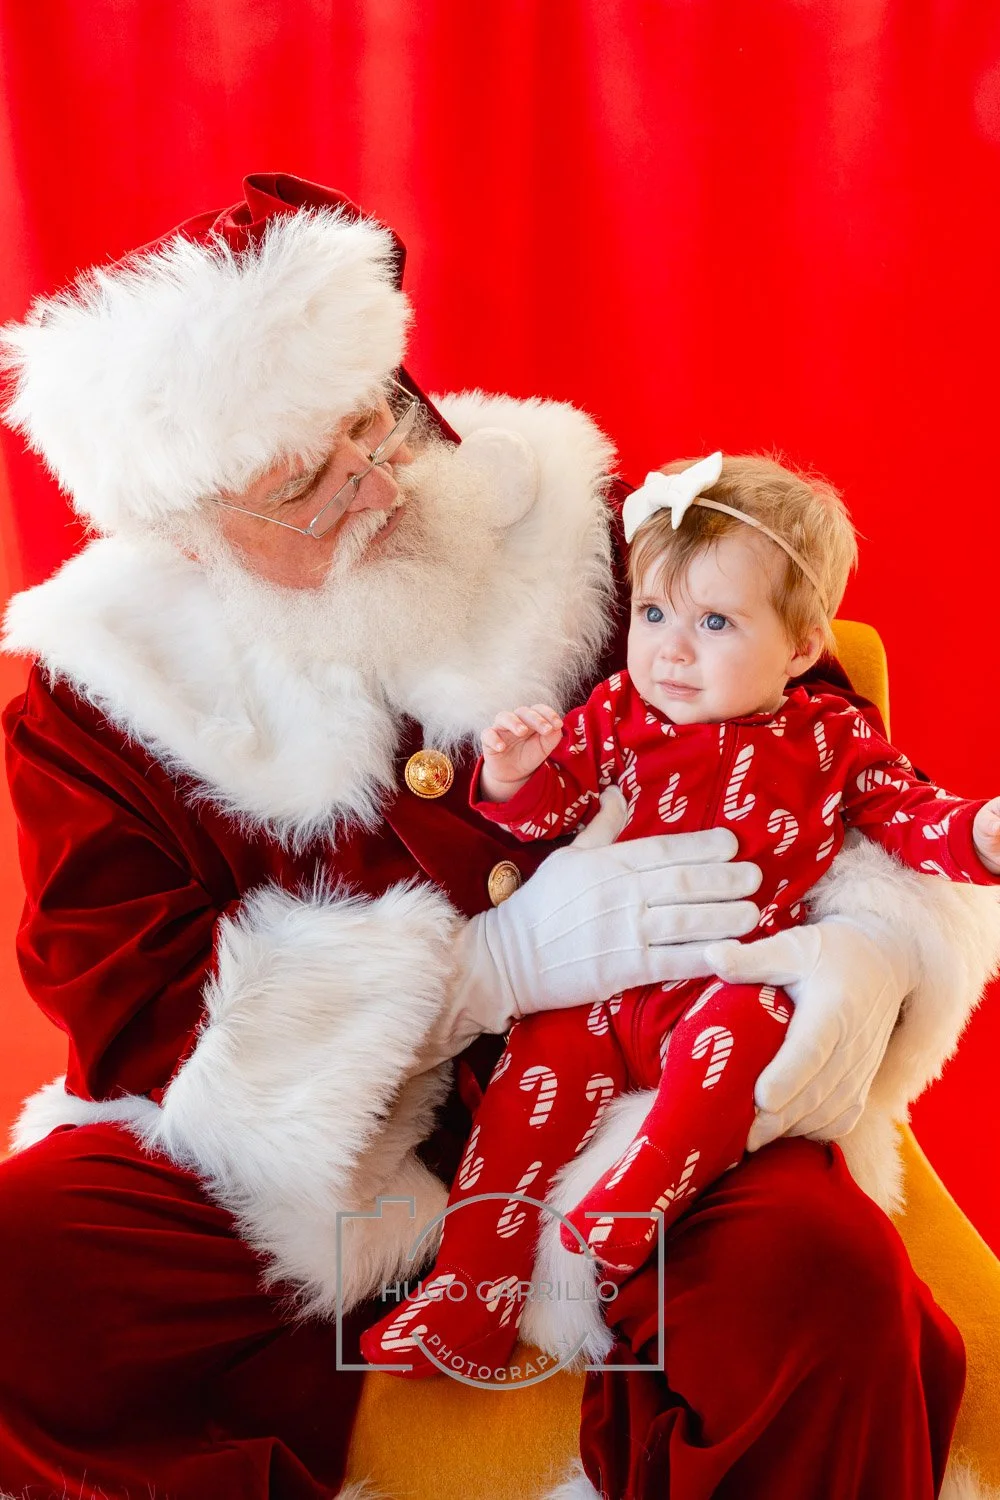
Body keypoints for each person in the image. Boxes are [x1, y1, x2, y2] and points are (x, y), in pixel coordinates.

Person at [0, 173, 996, 1500]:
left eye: (378, 418)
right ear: (186, 537)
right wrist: (479, 972)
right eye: (306, 481)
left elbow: (804, 716)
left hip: (648, 1104)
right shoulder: (97, 693)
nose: (378, 483)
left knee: (813, 1281)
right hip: (325, 1168)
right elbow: (132, 1011)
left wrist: (866, 947)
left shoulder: (576, 526)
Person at [361, 450, 1000, 1382]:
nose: (671, 647)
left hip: (727, 981)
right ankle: (470, 1296)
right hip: (596, 984)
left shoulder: (830, 739)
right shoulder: (617, 713)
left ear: (801, 646)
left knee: (750, 1043)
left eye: (715, 622)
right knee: (521, 1107)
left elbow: (908, 816)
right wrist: (514, 772)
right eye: (655, 615)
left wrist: (977, 834)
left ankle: (633, 1202)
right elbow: (547, 813)